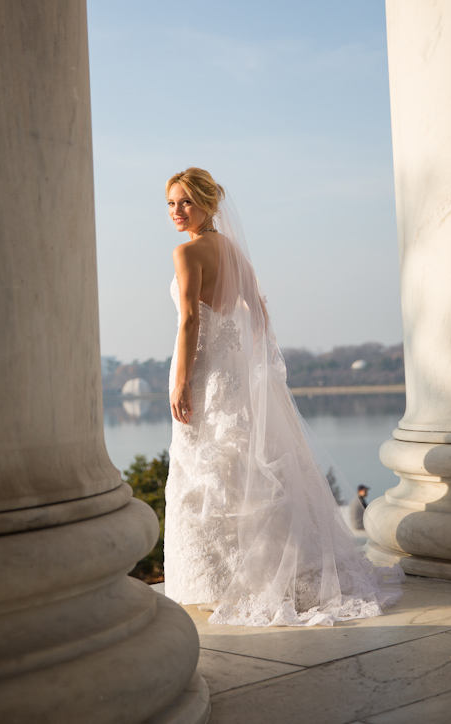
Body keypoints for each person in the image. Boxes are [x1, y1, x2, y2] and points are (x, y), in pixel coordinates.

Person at [163, 167, 403, 627]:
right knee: (237, 473)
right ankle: (254, 577)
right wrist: (252, 367)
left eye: (186, 202)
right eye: (171, 203)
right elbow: (261, 313)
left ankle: (225, 584)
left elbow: (190, 320)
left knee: (212, 476)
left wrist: (181, 381)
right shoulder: (231, 251)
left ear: (209, 204)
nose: (177, 212)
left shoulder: (186, 252)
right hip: (234, 383)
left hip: (204, 378)